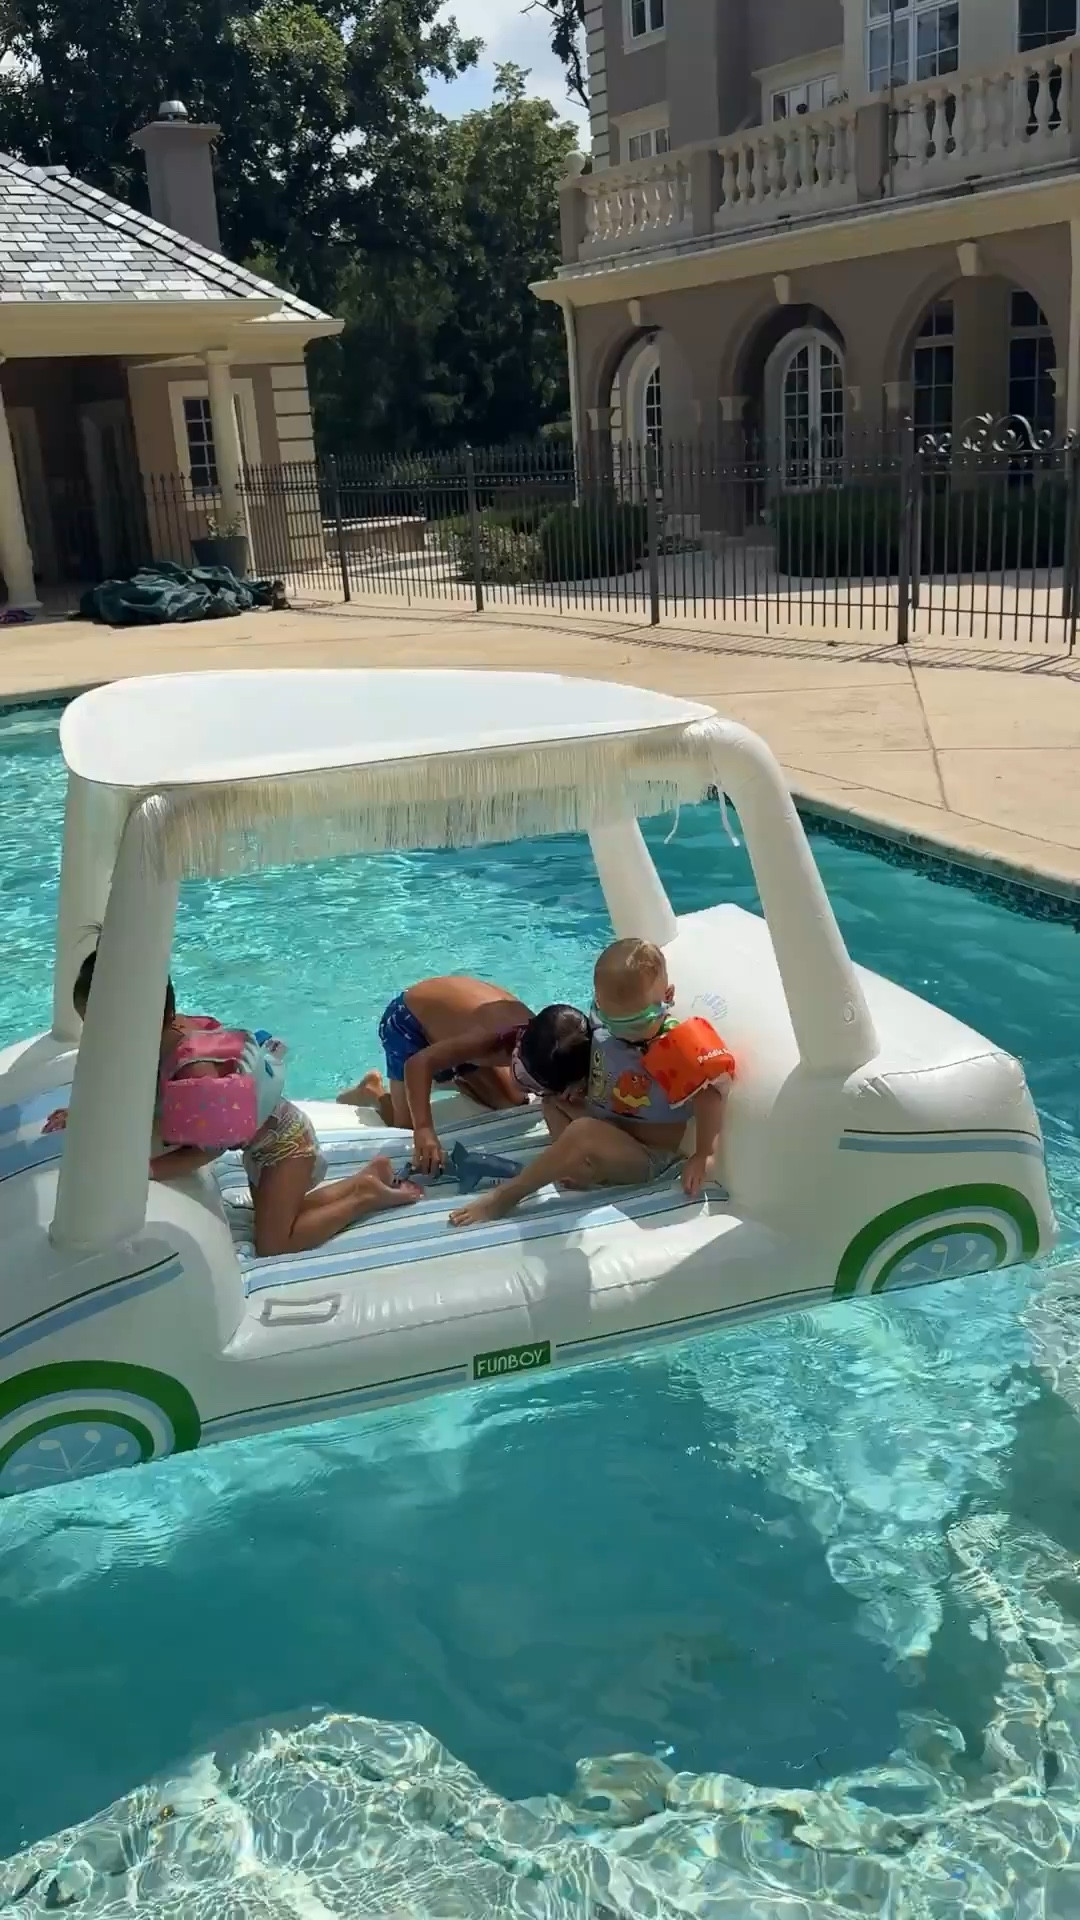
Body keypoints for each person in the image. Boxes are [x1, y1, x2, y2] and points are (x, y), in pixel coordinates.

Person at [45, 951, 421, 1257]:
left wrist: (146, 1170)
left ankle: (366, 1197)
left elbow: (209, 1147)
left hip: (285, 1146)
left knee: (276, 1243)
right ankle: (367, 1177)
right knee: (282, 1218)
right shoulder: (166, 1031)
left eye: (98, 1027)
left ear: (136, 1021)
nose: (95, 1038)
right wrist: (85, 1113)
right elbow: (135, 1089)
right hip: (261, 1144)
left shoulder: (194, 1068)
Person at [449, 938, 727, 1229]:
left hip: (645, 1155)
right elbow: (604, 1065)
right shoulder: (610, 1028)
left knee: (584, 1132)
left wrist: (705, 1153)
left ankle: (507, 1195)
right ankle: (576, 1167)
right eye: (611, 1020)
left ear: (667, 997)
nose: (623, 1034)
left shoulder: (673, 1047)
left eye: (633, 1024)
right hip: (604, 1126)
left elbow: (709, 1098)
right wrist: (580, 1087)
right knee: (552, 1101)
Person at [338, 976, 593, 1176]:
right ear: (517, 1048)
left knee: (511, 1101)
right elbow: (417, 1064)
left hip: (458, 1037)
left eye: (534, 1085)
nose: (526, 1086)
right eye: (522, 1074)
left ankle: (449, 1073)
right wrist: (424, 1129)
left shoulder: (553, 1041)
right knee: (405, 1126)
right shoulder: (489, 1039)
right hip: (408, 1023)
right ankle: (373, 1090)